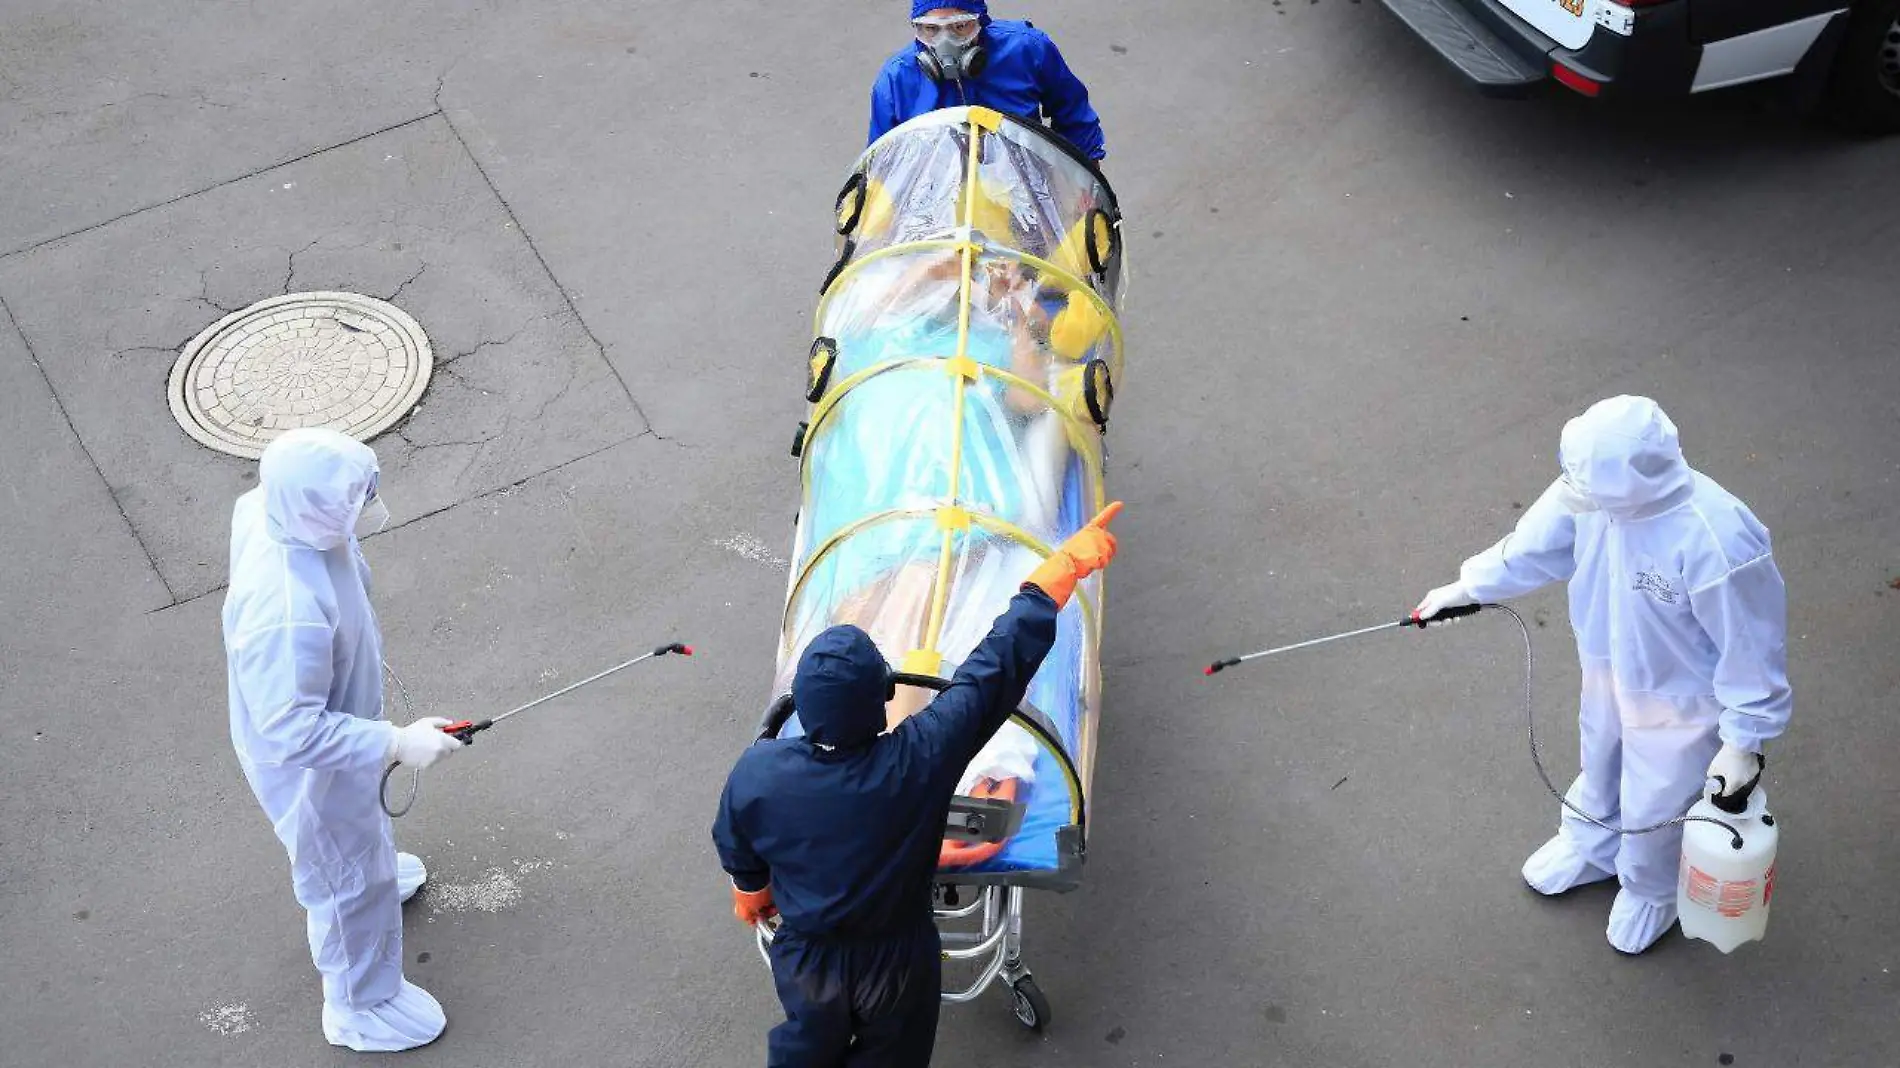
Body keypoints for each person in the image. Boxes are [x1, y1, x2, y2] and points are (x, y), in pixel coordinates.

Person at [714, 503, 1124, 1066]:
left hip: (808, 958)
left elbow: (734, 836)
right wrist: (1055, 577)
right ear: (883, 698)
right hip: (896, 959)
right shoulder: (918, 757)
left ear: (801, 703)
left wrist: (750, 887)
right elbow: (991, 675)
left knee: (804, 1046)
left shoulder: (759, 771)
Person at [1413, 396, 1791, 954]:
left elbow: (1752, 647)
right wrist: (1467, 588)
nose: (1574, 493)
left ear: (1631, 482)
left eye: (1589, 488)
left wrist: (1744, 741)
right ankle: (1590, 842)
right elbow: (1533, 544)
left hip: (1680, 697)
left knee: (1659, 797)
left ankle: (1651, 888)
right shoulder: (1593, 488)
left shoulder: (1717, 538)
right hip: (1606, 661)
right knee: (1602, 757)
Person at [223, 428, 465, 1051]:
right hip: (314, 764)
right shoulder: (285, 610)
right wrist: (394, 743)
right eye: (359, 497)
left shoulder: (273, 510)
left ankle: (370, 874)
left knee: (361, 843)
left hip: (341, 725)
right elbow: (289, 729)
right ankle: (361, 1004)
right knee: (346, 878)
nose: (372, 501)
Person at [870, 2, 1106, 162]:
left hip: (1028, 198)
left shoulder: (1027, 50)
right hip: (939, 213)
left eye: (960, 26)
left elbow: (1074, 116)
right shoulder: (896, 80)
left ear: (980, 21)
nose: (945, 43)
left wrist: (1085, 191)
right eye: (931, 29)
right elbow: (882, 165)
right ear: (917, 28)